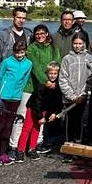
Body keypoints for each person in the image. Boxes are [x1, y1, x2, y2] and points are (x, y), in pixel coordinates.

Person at [0, 39, 31, 166]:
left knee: (9, 125)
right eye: (17, 52)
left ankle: (4, 152)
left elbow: (25, 79)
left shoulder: (28, 63)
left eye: (22, 52)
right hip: (4, 96)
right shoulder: (7, 62)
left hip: (16, 98)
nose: (20, 55)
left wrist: (18, 92)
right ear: (14, 52)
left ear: (25, 52)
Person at [25, 25, 62, 154]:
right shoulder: (31, 48)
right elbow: (35, 67)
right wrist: (45, 81)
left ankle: (37, 143)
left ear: (47, 33)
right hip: (34, 86)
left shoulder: (53, 47)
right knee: (27, 118)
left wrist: (53, 80)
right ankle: (18, 146)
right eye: (37, 33)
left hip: (50, 86)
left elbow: (57, 62)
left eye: (43, 33)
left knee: (43, 118)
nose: (40, 35)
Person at [16, 62, 61, 161]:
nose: (52, 76)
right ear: (47, 73)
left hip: (44, 109)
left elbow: (56, 101)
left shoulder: (57, 86)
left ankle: (32, 148)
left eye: (55, 73)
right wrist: (40, 116)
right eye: (50, 73)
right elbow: (37, 102)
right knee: (27, 128)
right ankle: (20, 150)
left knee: (36, 129)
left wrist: (54, 113)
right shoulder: (41, 85)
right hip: (33, 108)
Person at [58, 31, 92, 142]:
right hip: (69, 99)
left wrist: (83, 94)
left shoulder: (89, 58)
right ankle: (68, 146)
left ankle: (78, 144)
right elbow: (62, 79)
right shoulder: (66, 59)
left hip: (82, 98)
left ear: (84, 44)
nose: (77, 46)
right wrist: (72, 96)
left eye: (80, 43)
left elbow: (91, 79)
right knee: (69, 123)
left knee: (80, 123)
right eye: (75, 43)